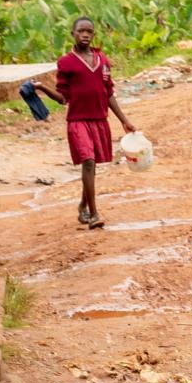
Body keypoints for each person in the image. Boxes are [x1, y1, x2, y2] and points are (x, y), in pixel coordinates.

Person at [53, 16, 136, 229]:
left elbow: (108, 93)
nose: (85, 35)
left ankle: (83, 205)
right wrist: (41, 89)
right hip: (78, 121)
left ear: (93, 34)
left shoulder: (103, 61)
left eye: (89, 31)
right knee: (88, 162)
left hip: (100, 120)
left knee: (92, 165)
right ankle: (94, 213)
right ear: (73, 33)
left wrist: (124, 120)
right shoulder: (66, 63)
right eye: (81, 31)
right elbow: (63, 98)